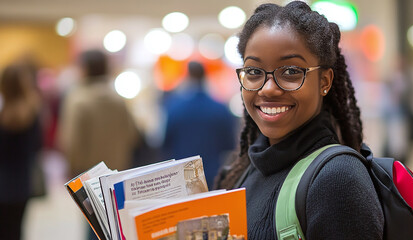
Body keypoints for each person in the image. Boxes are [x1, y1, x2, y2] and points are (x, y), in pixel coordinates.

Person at [214, 2, 384, 239]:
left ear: (324, 81)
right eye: (254, 72)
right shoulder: (244, 170)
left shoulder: (336, 178)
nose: (269, 89)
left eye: (291, 71)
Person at [58, 49, 140, 239]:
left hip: (87, 174)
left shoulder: (78, 99)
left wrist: (71, 168)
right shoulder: (118, 99)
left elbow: (72, 143)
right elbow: (133, 135)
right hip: (117, 171)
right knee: (114, 224)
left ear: (84, 68)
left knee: (93, 223)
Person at [162, 61, 237, 189]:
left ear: (187, 76)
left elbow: (165, 144)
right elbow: (229, 144)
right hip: (213, 177)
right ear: (205, 76)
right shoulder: (220, 108)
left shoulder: (174, 108)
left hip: (182, 179)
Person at [0, 63, 43, 240]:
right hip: (22, 183)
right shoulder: (32, 113)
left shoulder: (2, 114)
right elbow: (38, 146)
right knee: (16, 230)